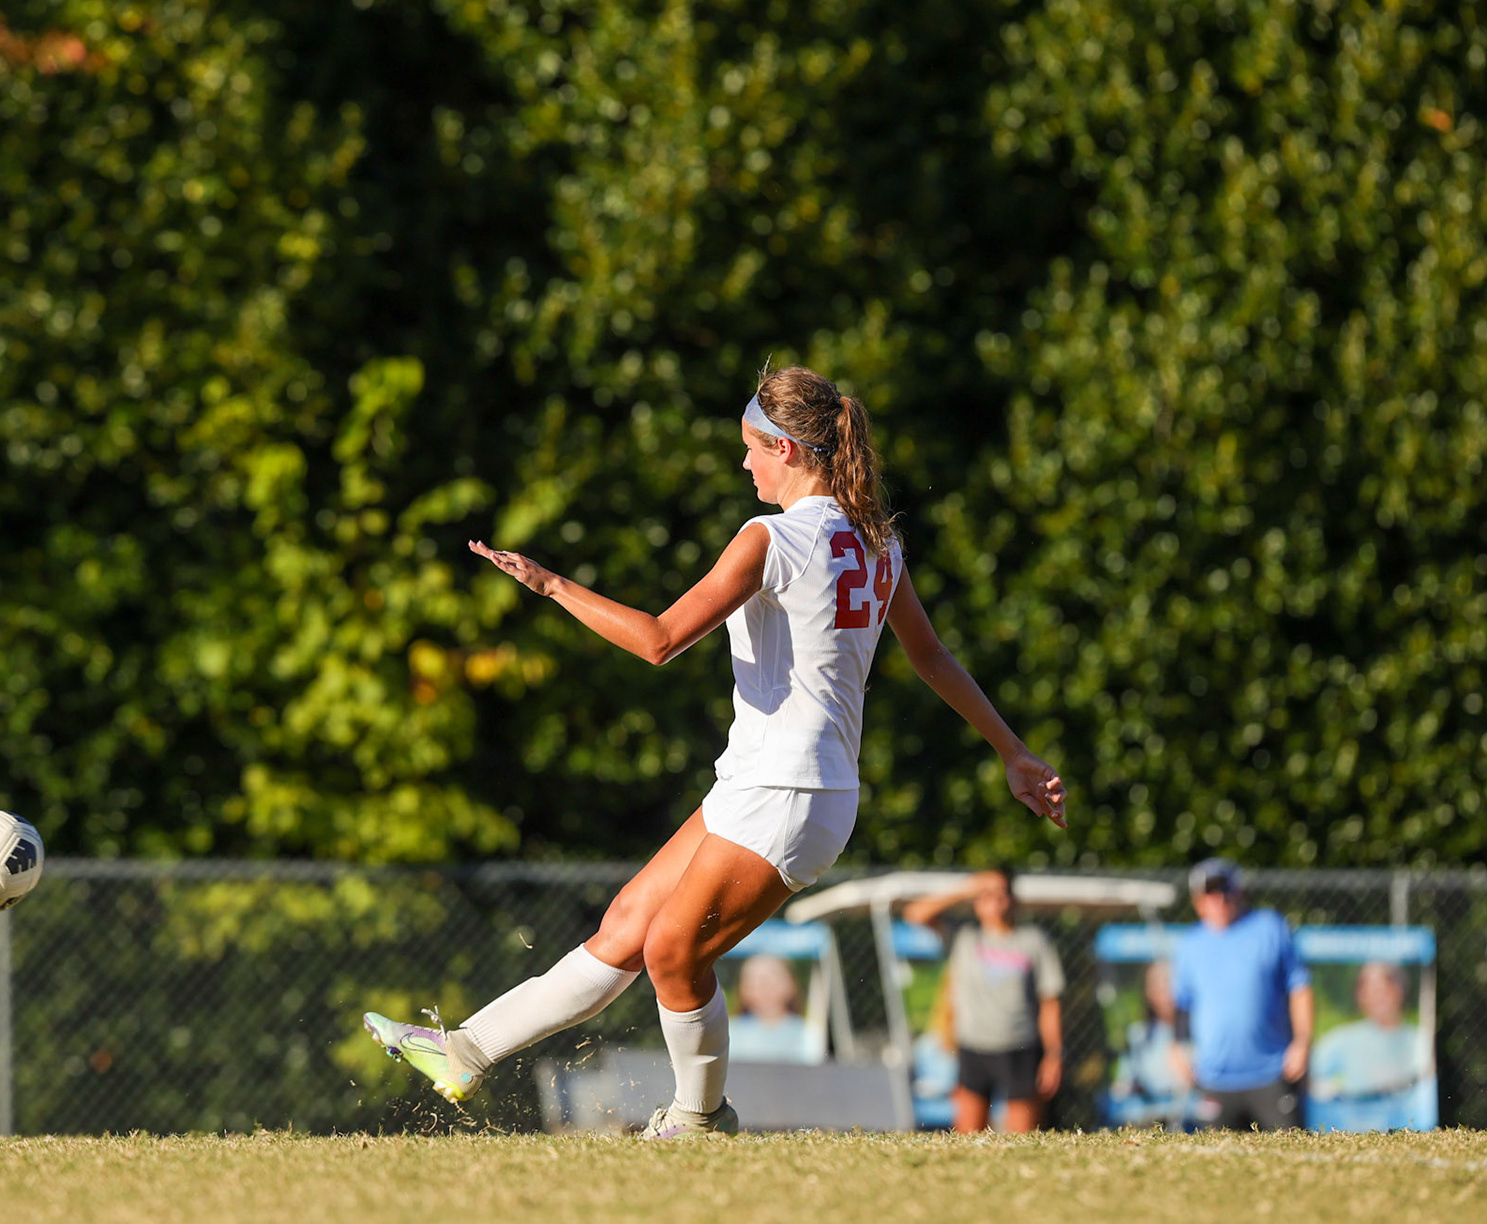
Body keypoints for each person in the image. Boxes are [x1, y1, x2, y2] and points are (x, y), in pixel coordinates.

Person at [360, 365, 1066, 1137]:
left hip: (792, 795)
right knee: (628, 923)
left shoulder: (771, 538)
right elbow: (931, 657)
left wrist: (552, 585)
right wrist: (1013, 752)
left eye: (753, 449)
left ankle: (700, 1122)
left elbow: (660, 640)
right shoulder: (877, 540)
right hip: (763, 784)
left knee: (671, 952)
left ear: (790, 452)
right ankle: (465, 1051)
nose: (745, 465)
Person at [903, 868, 1065, 1132]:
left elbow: (1050, 1003)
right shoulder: (964, 937)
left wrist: (1054, 1054)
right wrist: (967, 887)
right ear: (976, 901)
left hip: (1020, 1049)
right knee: (968, 1138)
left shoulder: (1033, 942)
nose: (996, 900)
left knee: (1023, 1140)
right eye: (987, 894)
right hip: (973, 1049)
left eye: (1003, 893)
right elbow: (915, 914)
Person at [1168, 858, 1313, 1131]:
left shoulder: (1270, 928)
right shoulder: (1190, 945)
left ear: (1239, 892)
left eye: (1226, 890)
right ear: (1198, 900)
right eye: (1210, 892)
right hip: (1214, 1079)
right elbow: (1182, 1004)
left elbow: (1300, 988)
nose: (1219, 899)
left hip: (1272, 1073)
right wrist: (1176, 1046)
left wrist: (1303, 1041)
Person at [1309, 962, 1431, 1102]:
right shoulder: (1341, 1039)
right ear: (1360, 996)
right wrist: (1334, 1091)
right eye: (1370, 991)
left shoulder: (1419, 1040)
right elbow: (1309, 1076)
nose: (1378, 998)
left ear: (1400, 990)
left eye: (1385, 989)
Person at [1108, 960, 1191, 1128]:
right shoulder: (1139, 1036)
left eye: (1169, 984)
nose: (1165, 993)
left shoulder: (1199, 1033)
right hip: (1152, 1119)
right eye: (1157, 986)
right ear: (1148, 992)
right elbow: (1123, 1084)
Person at [726, 954, 822, 1064]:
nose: (762, 988)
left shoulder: (808, 1034)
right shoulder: (729, 1033)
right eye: (753, 982)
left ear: (790, 985)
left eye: (768, 981)